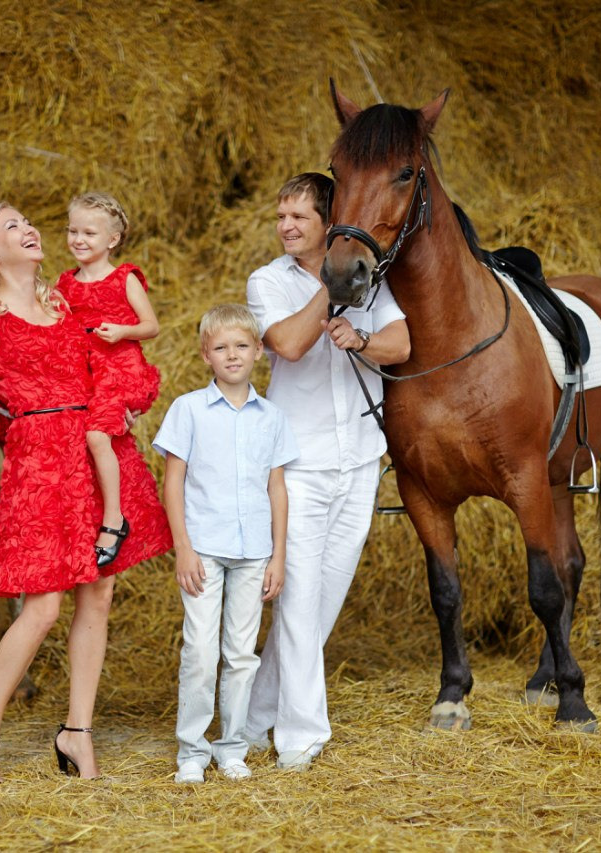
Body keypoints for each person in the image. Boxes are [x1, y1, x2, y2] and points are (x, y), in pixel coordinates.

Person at [0, 201, 158, 783]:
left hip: (89, 449)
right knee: (43, 607)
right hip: (39, 460)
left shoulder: (64, 300)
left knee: (99, 593)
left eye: (28, 222)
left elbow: (116, 356)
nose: (29, 229)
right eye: (12, 226)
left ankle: (77, 731)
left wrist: (119, 404)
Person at [243, 173, 411, 771]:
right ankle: (300, 739)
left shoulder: (373, 278)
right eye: (281, 216)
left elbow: (403, 343)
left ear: (329, 220)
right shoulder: (267, 280)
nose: (286, 227)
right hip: (299, 465)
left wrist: (361, 336)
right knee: (299, 599)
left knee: (320, 606)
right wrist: (330, 289)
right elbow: (286, 344)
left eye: (298, 217)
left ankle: (250, 718)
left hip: (361, 457)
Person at [152, 304, 298, 784]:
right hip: (204, 551)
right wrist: (184, 548)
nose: (231, 355)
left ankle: (231, 747)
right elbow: (173, 484)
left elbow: (276, 487)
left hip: (255, 551)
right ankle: (191, 751)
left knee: (241, 652)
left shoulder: (272, 417)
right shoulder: (188, 410)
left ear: (259, 352)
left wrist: (278, 555)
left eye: (241, 345)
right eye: (220, 347)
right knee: (199, 650)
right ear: (204, 355)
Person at [56, 192, 171, 568]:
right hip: (85, 374)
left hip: (120, 370)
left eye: (89, 232)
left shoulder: (124, 278)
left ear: (112, 240)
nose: (78, 239)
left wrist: (122, 331)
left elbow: (151, 326)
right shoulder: (65, 284)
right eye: (73, 230)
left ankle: (114, 518)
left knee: (96, 435)